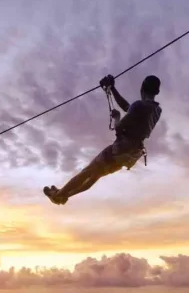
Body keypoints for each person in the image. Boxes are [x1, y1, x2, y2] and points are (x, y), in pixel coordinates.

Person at [43, 74, 161, 205]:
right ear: (157, 91)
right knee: (94, 176)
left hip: (119, 150)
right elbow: (129, 108)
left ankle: (58, 195)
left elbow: (119, 127)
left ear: (142, 88)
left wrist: (116, 117)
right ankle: (65, 195)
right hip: (130, 156)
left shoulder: (139, 105)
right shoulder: (156, 110)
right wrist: (112, 89)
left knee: (87, 172)